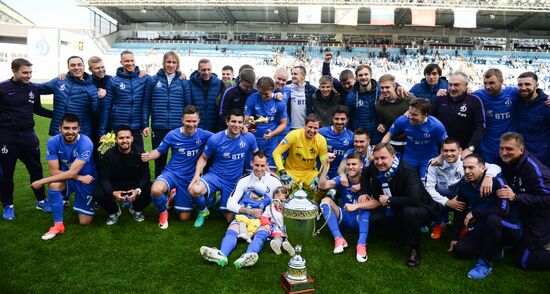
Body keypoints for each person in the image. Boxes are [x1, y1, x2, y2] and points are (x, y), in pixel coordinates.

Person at [359, 143, 436, 267]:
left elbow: (415, 199)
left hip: (421, 208)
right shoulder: (375, 167)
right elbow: (365, 174)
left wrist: (390, 200)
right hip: (395, 205)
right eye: (376, 158)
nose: (379, 162)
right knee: (375, 219)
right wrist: (365, 192)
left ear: (394, 157)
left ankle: (414, 250)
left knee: (409, 213)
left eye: (383, 158)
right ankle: (400, 232)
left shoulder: (408, 171)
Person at [451, 154, 521, 280]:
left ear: (483, 168)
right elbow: (460, 209)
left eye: (471, 167)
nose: (467, 171)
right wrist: (455, 237)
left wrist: (476, 213)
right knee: (460, 250)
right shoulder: (464, 184)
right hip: (483, 227)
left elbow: (503, 210)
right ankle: (495, 248)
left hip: (509, 226)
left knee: (493, 219)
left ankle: (485, 264)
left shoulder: (498, 181)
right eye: (465, 167)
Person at [142, 105, 213, 229]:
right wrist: (149, 156)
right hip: (172, 173)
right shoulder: (172, 135)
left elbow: (223, 137)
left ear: (198, 121)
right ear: (182, 120)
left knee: (184, 218)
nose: (191, 124)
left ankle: (174, 195)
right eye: (188, 121)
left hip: (189, 178)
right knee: (156, 190)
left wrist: (243, 130)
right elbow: (159, 151)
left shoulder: (204, 135)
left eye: (194, 121)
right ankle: (163, 212)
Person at [0, 58, 53, 220]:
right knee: (7, 173)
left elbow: (37, 109)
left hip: (29, 135)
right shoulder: (2, 88)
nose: (28, 75)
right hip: (7, 136)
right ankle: (8, 206)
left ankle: (41, 200)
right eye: (25, 72)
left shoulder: (33, 88)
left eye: (30, 72)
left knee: (36, 169)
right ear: (14, 71)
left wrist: (57, 115)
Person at [31, 114, 97, 240]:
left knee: (84, 222)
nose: (70, 132)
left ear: (79, 129)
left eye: (74, 128)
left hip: (88, 180)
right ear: (59, 128)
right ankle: (58, 225)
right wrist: (78, 178)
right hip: (75, 177)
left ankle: (93, 200)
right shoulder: (53, 142)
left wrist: (42, 181)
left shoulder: (86, 142)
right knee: (54, 184)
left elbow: (72, 172)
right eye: (66, 128)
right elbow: (54, 171)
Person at [189, 108, 258, 223]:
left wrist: (268, 172)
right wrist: (197, 175)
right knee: (194, 190)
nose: (236, 125)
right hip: (215, 176)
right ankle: (203, 210)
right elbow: (203, 158)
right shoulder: (215, 139)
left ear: (243, 124)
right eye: (233, 121)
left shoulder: (249, 137)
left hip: (233, 181)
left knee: (229, 219)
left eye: (240, 122)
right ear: (227, 122)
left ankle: (219, 199)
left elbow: (258, 156)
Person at [425, 138, 501, 239]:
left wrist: (488, 176)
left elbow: (496, 167)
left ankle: (465, 225)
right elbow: (429, 188)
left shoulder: (466, 162)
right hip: (443, 197)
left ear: (460, 151)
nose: (449, 154)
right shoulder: (434, 163)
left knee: (470, 197)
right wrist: (447, 202)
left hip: (461, 197)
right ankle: (440, 223)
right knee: (431, 200)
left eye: (452, 150)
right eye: (445, 151)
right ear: (441, 152)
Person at [495, 132, 550, 270]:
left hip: (541, 216)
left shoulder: (534, 170)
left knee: (523, 260)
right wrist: (489, 175)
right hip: (522, 212)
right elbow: (490, 167)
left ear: (521, 149)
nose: (504, 152)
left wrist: (516, 197)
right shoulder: (503, 160)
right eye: (501, 148)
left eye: (509, 149)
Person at [200, 184, 289, 269]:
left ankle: (248, 255)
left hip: (260, 220)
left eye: (262, 166)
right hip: (244, 216)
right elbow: (231, 204)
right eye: (257, 166)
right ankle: (221, 254)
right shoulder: (244, 183)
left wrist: (266, 223)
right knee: (232, 230)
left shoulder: (271, 189)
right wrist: (248, 211)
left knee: (262, 233)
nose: (259, 169)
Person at [143, 51, 191, 177]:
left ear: (177, 64)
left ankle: (177, 187)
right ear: (163, 63)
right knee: (160, 160)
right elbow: (146, 103)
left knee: (179, 159)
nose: (171, 65)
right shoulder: (153, 80)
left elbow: (188, 105)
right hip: (159, 127)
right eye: (168, 62)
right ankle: (160, 190)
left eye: (174, 62)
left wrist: (187, 124)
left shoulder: (183, 81)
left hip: (177, 128)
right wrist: (145, 124)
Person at [93, 125, 151, 225]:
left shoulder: (140, 153)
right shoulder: (108, 154)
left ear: (132, 139)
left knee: (151, 188)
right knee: (97, 192)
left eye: (127, 137)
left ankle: (136, 209)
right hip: (115, 185)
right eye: (121, 138)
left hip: (134, 185)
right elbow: (104, 178)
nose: (125, 141)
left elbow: (145, 176)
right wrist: (112, 192)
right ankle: (114, 211)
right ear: (115, 139)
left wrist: (137, 190)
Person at [318, 153, 371, 263]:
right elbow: (322, 186)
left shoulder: (367, 181)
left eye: (354, 164)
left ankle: (361, 244)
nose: (351, 167)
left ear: (361, 165)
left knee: (366, 205)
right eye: (348, 164)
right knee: (325, 201)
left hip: (360, 221)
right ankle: (338, 238)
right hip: (343, 218)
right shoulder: (343, 179)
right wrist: (326, 164)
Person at [382, 98, 448, 180]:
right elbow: (389, 135)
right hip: (410, 155)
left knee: (425, 183)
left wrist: (441, 157)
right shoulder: (402, 120)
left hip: (429, 157)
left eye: (415, 115)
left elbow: (446, 144)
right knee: (403, 179)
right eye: (410, 112)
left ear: (425, 115)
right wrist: (380, 149)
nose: (410, 117)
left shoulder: (436, 125)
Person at [100, 50, 151, 149]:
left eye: (132, 60)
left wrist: (180, 74)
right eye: (126, 61)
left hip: (136, 127)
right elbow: (107, 108)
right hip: (118, 127)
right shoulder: (113, 81)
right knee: (117, 160)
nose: (130, 63)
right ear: (121, 62)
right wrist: (102, 132)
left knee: (139, 159)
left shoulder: (144, 78)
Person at [40, 56, 99, 138]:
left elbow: (98, 113)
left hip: (80, 134)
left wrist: (102, 97)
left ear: (84, 67)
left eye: (79, 65)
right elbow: (38, 89)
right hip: (58, 132)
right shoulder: (59, 81)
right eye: (73, 65)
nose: (76, 67)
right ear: (68, 67)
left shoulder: (92, 88)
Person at [431, 72, 485, 158]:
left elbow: (480, 127)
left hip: (464, 152)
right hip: (441, 152)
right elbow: (430, 120)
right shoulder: (441, 98)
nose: (452, 88)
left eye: (456, 85)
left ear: (466, 85)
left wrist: (470, 148)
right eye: (450, 84)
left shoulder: (474, 101)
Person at [272, 114, 328, 197]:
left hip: (309, 172)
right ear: (305, 126)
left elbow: (325, 162)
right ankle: (283, 208)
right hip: (291, 170)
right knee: (281, 191)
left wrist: (320, 177)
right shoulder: (294, 135)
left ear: (318, 129)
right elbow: (276, 152)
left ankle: (316, 208)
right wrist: (282, 172)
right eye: (310, 127)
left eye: (315, 128)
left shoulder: (322, 140)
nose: (312, 130)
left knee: (322, 187)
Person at [474, 68, 519, 163]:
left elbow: (533, 94)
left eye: (491, 83)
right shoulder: (479, 94)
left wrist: (545, 96)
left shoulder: (513, 93)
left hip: (508, 147)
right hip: (487, 147)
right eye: (485, 83)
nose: (487, 86)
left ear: (501, 81)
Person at [244, 77, 288, 170]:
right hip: (254, 140)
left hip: (271, 141)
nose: (263, 96)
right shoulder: (252, 99)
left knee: (270, 170)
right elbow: (246, 119)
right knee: (252, 170)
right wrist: (250, 126)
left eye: (266, 94)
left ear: (273, 89)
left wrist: (272, 133)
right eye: (261, 93)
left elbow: (283, 124)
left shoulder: (279, 103)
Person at [515, 72, 550, 167]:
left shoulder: (546, 104)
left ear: (536, 86)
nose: (523, 88)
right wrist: (469, 89)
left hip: (542, 158)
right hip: (521, 156)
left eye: (527, 84)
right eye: (520, 85)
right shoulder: (517, 99)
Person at [375, 73, 414, 153]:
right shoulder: (379, 105)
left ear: (394, 86)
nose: (384, 90)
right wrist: (383, 126)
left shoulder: (408, 98)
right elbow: (383, 122)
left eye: (387, 87)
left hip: (410, 141)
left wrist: (411, 111)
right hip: (392, 142)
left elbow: (423, 108)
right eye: (382, 88)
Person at [345, 65, 382, 144]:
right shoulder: (351, 97)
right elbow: (348, 119)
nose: (363, 77)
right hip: (361, 140)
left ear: (371, 75)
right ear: (356, 78)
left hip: (379, 137)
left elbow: (392, 85)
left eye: (366, 74)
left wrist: (399, 87)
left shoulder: (381, 90)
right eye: (360, 75)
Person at [188, 58, 224, 132]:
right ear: (198, 70)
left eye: (209, 69)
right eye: (203, 70)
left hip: (214, 127)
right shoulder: (190, 84)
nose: (206, 72)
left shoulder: (219, 84)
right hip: (196, 127)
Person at [318, 105, 354, 179]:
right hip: (322, 170)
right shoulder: (321, 132)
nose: (339, 122)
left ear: (347, 120)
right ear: (332, 119)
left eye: (342, 119)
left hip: (340, 173)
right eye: (336, 119)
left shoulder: (351, 137)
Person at [262, 186, 294, 256]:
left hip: (288, 228)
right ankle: (277, 245)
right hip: (277, 228)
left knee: (290, 238)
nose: (279, 203)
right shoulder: (270, 208)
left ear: (286, 200)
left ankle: (289, 246)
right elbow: (264, 216)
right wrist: (266, 224)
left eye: (282, 201)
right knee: (277, 237)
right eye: (276, 200)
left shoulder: (289, 208)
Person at [286, 65, 316, 130]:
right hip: (290, 128)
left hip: (306, 128)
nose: (293, 76)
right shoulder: (286, 89)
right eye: (292, 74)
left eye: (295, 74)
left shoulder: (312, 90)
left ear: (303, 76)